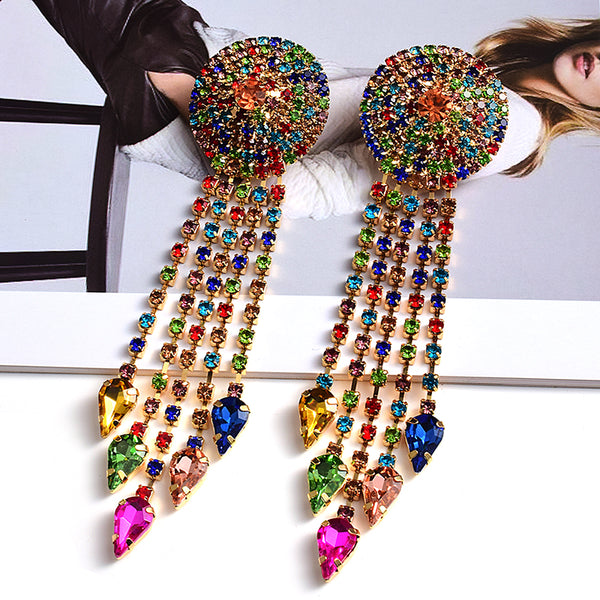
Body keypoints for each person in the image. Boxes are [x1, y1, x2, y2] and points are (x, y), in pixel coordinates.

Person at [32, 0, 600, 218]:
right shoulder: (500, 92)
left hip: (184, 93)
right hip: (197, 57)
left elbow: (339, 182)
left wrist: (193, 98)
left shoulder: (516, 125)